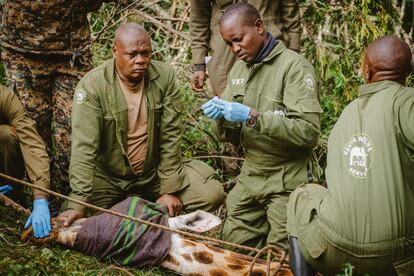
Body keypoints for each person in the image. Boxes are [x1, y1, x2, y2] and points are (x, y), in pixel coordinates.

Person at [58, 23, 226, 226]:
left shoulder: (164, 77)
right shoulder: (93, 85)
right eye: (132, 54)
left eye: (146, 53)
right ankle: (143, 211)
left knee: (210, 194)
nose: (141, 60)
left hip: (153, 174)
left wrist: (168, 190)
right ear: (115, 52)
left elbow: (170, 137)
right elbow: (84, 147)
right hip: (109, 177)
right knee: (79, 219)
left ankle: (140, 209)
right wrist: (79, 201)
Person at [287, 36, 414, 276]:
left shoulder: (349, 111)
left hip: (332, 252)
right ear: (409, 71)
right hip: (396, 262)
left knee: (302, 195)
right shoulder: (406, 101)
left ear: (366, 71)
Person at [202, 4, 322, 251]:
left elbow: (307, 132)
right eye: (229, 44)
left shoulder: (294, 68)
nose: (235, 49)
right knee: (231, 249)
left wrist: (254, 117)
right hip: (252, 174)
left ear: (259, 27)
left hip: (288, 178)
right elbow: (228, 135)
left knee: (281, 256)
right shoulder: (239, 69)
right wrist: (220, 117)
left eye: (239, 40)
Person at [0, 0, 111, 195]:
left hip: (71, 56)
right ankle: (35, 199)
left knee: (72, 136)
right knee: (31, 133)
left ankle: (69, 201)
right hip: (21, 54)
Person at [190, 0, 302, 96]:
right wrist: (199, 64)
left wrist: (294, 51)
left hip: (271, 49)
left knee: (276, 106)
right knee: (228, 108)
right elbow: (199, 18)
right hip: (226, 57)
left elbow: (290, 10)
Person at [0, 85, 52, 239]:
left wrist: (40, 197)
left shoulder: (4, 95)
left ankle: (12, 197)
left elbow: (31, 141)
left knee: (6, 135)